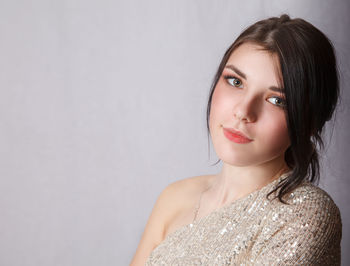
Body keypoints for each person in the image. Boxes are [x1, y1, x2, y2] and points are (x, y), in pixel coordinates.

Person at [130, 14, 342, 265]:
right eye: (235, 81)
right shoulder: (175, 196)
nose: (243, 111)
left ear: (310, 121)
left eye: (277, 100)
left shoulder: (307, 214)